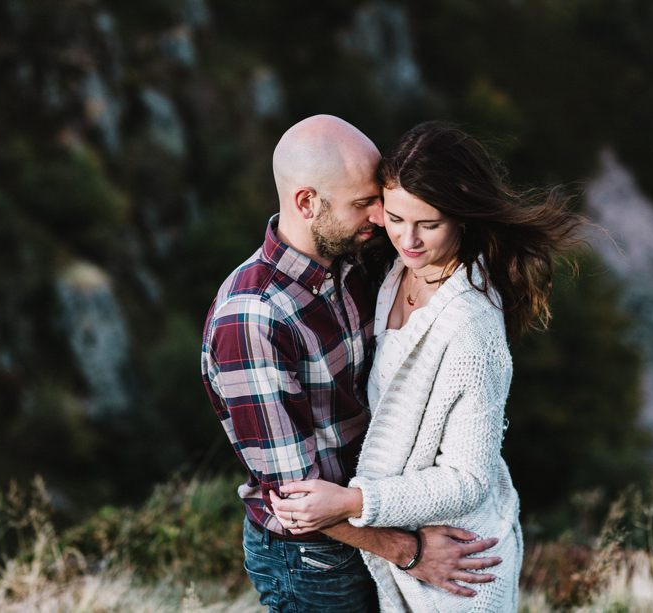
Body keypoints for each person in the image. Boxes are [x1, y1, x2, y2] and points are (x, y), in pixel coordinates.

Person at [271, 121, 585, 611]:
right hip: (406, 548)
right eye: (395, 218)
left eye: (430, 224)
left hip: (459, 563)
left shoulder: (470, 327)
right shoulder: (393, 268)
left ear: (461, 220)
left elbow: (469, 481)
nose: (408, 240)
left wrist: (354, 503)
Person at [201, 115, 502, 613]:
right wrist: (411, 553)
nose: (381, 219)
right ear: (307, 202)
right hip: (316, 556)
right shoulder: (254, 319)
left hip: (378, 521)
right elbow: (296, 497)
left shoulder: (353, 260)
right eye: (365, 204)